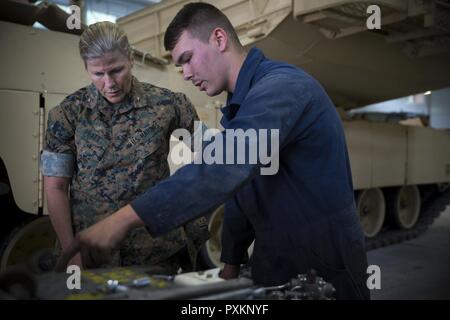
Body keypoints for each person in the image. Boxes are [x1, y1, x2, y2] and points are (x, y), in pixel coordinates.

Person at [57, 4, 370, 299]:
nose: (187, 74)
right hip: (273, 259)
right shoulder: (242, 105)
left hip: (324, 263)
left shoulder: (282, 88)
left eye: (187, 58)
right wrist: (231, 261)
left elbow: (222, 169)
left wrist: (121, 220)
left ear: (219, 39)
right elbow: (242, 189)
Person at [42, 21, 209, 272]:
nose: (109, 83)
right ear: (86, 67)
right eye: (98, 74)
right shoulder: (67, 115)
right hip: (91, 255)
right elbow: (55, 186)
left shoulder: (170, 105)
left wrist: (198, 226)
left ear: (130, 58)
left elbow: (211, 159)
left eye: (116, 70)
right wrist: (70, 252)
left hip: (156, 253)